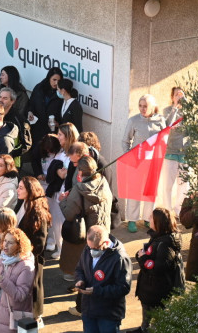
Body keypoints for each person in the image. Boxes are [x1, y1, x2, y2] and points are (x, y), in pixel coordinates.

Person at [60, 156, 113, 317]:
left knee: (86, 272)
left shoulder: (78, 189)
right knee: (99, 270)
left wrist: (63, 201)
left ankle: (81, 307)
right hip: (103, 233)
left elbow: (69, 214)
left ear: (80, 172)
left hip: (87, 237)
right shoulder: (104, 184)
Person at [74, 225, 132, 333]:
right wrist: (79, 280)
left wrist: (97, 291)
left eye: (95, 248)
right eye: (89, 247)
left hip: (108, 314)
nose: (91, 251)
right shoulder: (88, 248)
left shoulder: (120, 258)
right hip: (89, 310)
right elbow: (79, 269)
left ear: (105, 243)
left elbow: (123, 287)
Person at [135, 207, 185, 332]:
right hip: (150, 289)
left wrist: (143, 258)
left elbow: (158, 268)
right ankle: (143, 328)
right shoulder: (158, 237)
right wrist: (141, 254)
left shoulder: (166, 244)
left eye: (151, 217)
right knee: (147, 317)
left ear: (158, 222)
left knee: (158, 321)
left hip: (157, 291)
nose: (149, 219)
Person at [122, 94, 166, 232]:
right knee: (135, 191)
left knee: (150, 191)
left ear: (152, 107)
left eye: (145, 106)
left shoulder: (160, 120)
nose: (142, 108)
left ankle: (148, 218)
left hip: (154, 162)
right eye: (140, 106)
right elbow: (125, 141)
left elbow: (163, 140)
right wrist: (130, 156)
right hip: (137, 161)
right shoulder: (133, 121)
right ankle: (132, 220)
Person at [0, 227, 35, 333]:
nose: (5, 245)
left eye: (10, 243)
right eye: (5, 241)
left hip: (15, 315)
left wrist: (1, 279)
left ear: (19, 245)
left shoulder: (26, 266)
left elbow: (20, 295)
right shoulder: (4, 257)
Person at [15, 176, 51, 320]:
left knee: (32, 292)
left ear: (30, 191)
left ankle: (34, 319)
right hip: (20, 257)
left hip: (31, 259)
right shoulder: (22, 204)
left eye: (21, 188)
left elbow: (40, 243)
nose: (17, 190)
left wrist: (23, 253)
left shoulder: (37, 212)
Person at [28, 67, 63, 175]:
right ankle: (37, 174)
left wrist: (58, 123)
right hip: (38, 127)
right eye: (54, 80)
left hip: (51, 130)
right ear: (49, 78)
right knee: (35, 153)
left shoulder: (60, 93)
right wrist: (30, 112)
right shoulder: (39, 88)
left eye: (58, 81)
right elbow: (32, 103)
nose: (56, 83)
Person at [160, 87, 188, 215]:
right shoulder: (167, 110)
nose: (179, 96)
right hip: (170, 153)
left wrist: (186, 105)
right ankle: (166, 211)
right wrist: (175, 107)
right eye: (177, 94)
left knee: (184, 186)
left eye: (181, 94)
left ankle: (178, 211)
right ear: (172, 97)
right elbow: (166, 125)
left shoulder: (189, 111)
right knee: (167, 185)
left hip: (185, 154)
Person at [41, 134, 67, 258]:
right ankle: (52, 241)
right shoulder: (45, 154)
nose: (49, 152)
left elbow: (61, 175)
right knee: (50, 217)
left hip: (57, 191)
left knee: (58, 220)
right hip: (49, 190)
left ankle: (61, 248)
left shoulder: (62, 156)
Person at [0, 87, 32, 168]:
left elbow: (26, 144)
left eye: (5, 98)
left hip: (12, 164)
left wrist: (10, 154)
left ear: (12, 101)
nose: (1, 100)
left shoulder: (19, 119)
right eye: (0, 97)